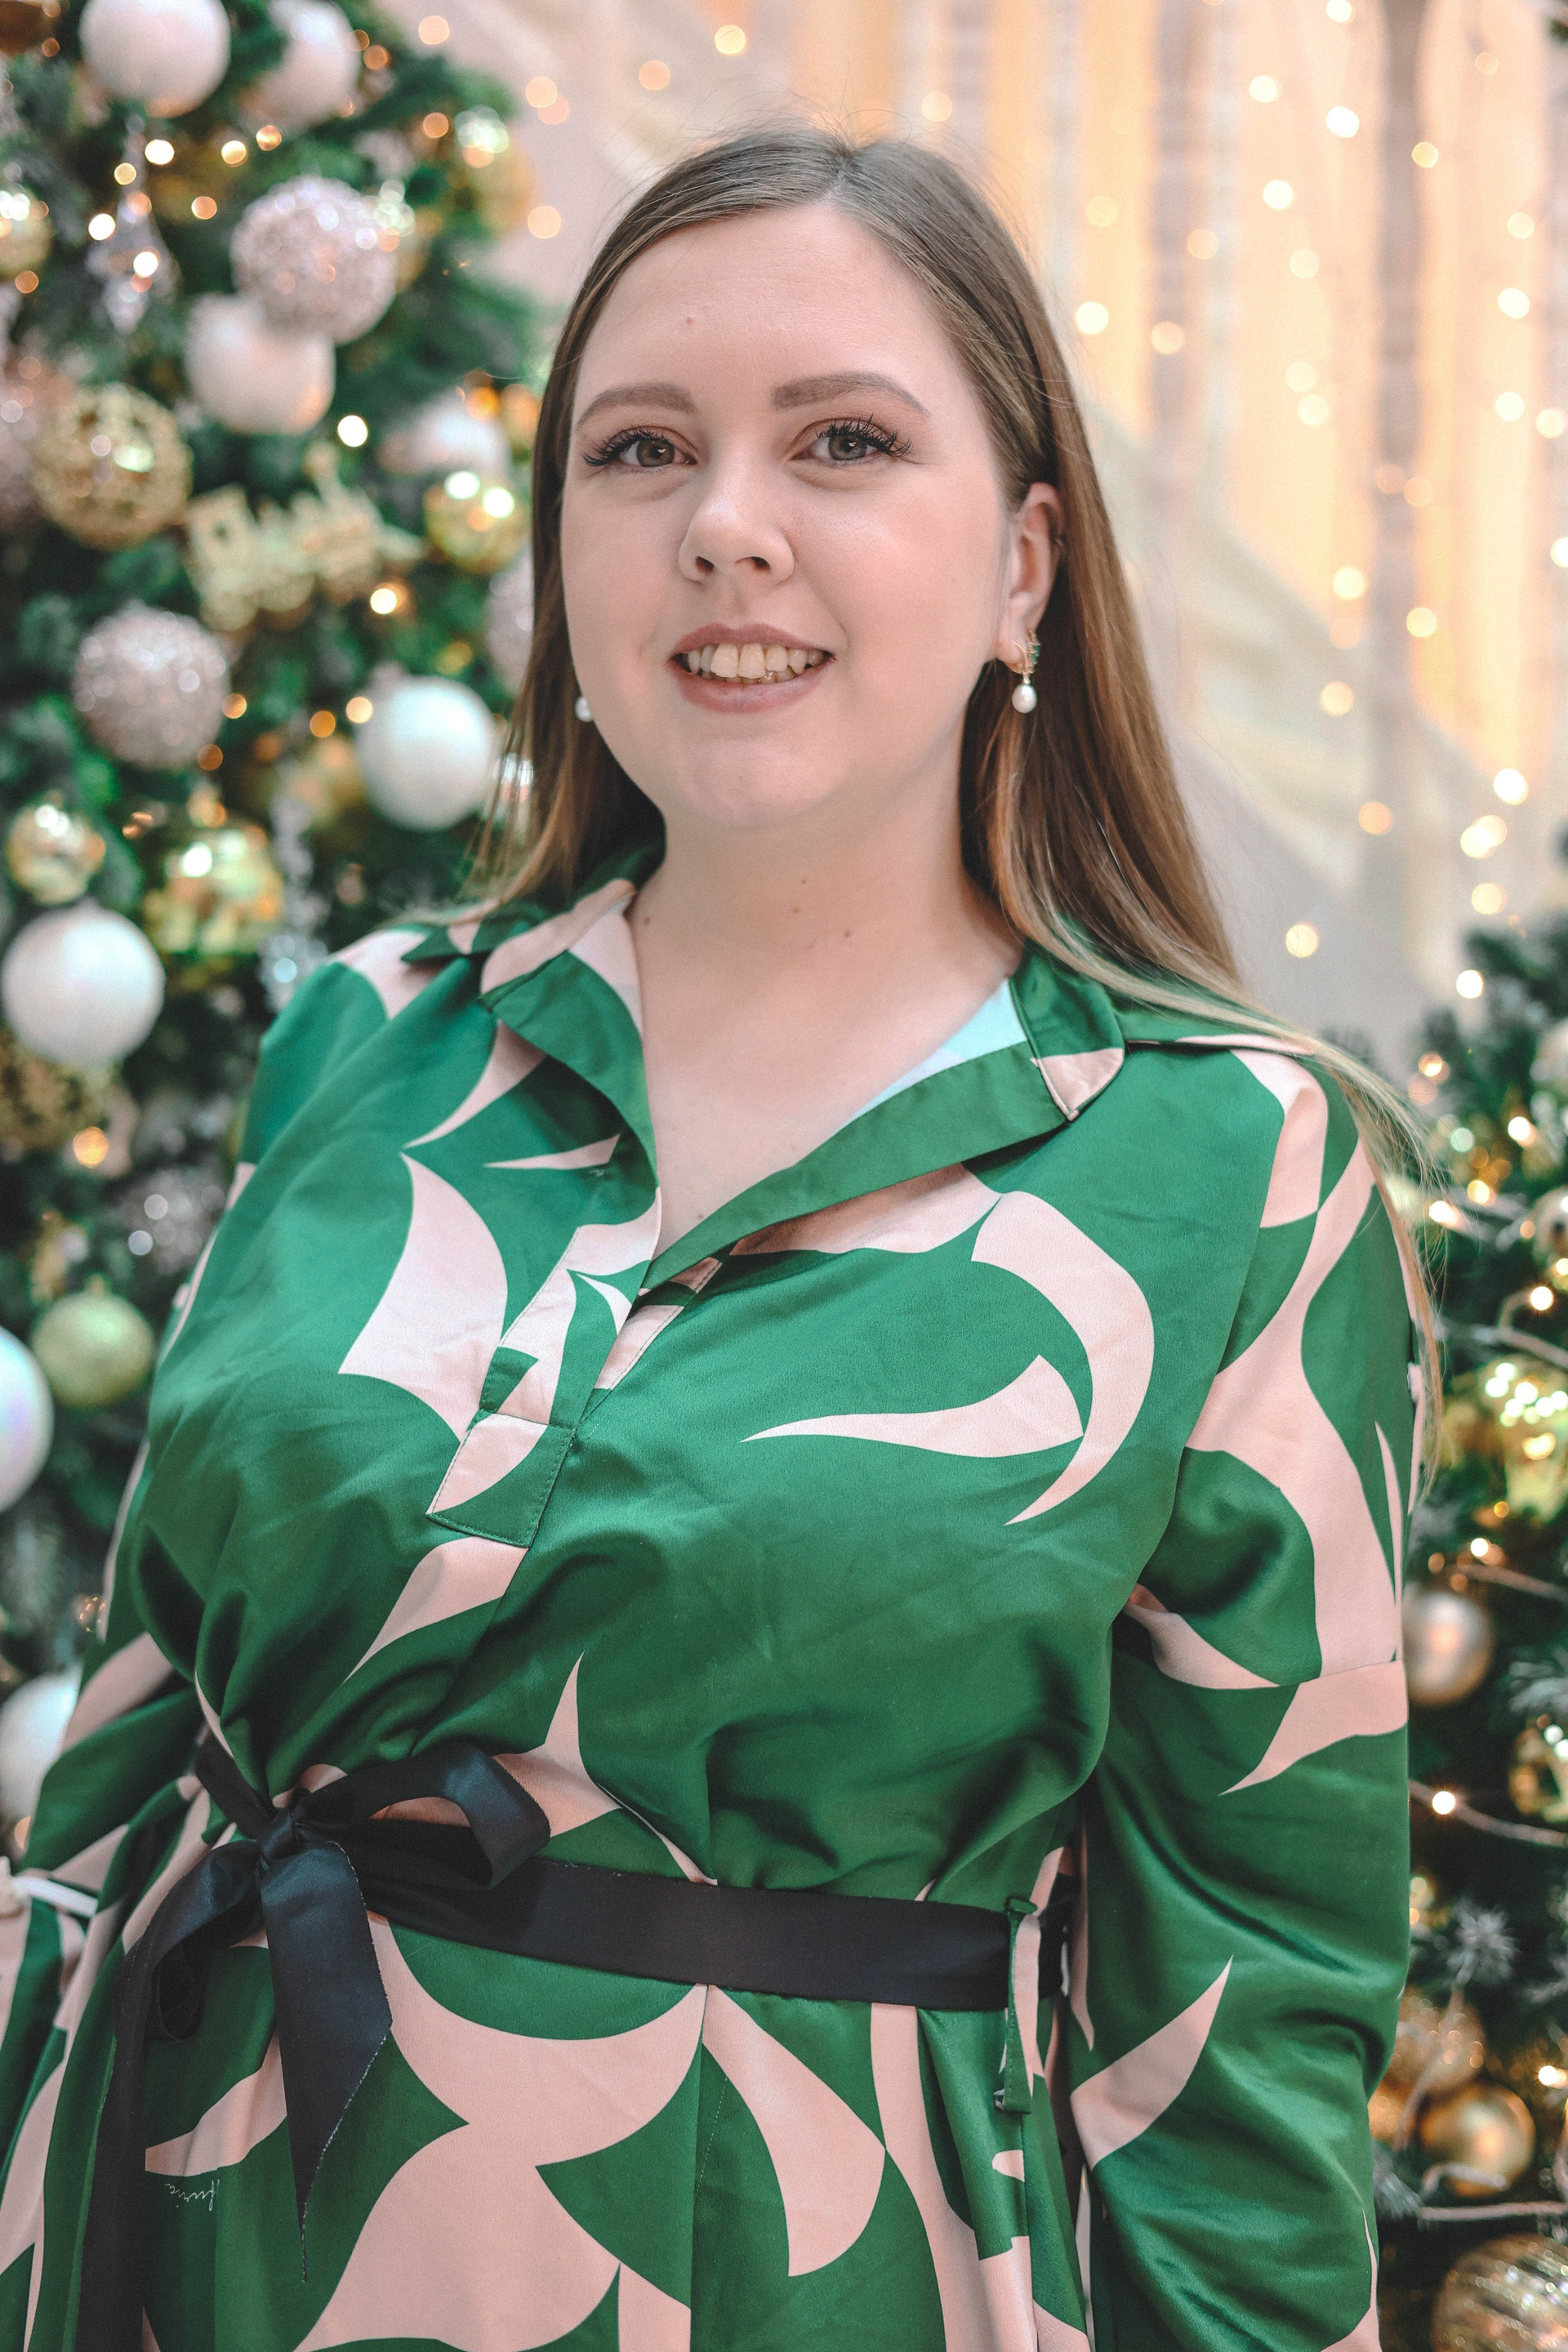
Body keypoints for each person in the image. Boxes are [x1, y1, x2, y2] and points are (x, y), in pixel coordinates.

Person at [0, 124, 1418, 2352]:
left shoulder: (1238, 1167)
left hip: (786, 2272)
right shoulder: (368, 1040)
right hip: (193, 2246)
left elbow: (1245, 2037)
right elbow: (114, 1782)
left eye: (843, 442)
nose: (724, 525)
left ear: (1027, 565)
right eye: (641, 449)